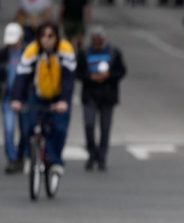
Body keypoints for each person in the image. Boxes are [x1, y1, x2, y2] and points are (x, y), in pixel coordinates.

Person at [11, 22, 76, 179]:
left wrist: (64, 101)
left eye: (50, 36)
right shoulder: (32, 50)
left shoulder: (65, 49)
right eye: (42, 36)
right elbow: (21, 76)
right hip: (39, 94)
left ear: (56, 37)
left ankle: (56, 162)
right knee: (29, 125)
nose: (46, 39)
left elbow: (69, 79)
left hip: (59, 95)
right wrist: (17, 99)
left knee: (59, 128)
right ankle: (31, 155)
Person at [76, 25, 126, 171]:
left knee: (105, 128)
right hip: (90, 94)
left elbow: (121, 71)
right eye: (95, 39)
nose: (98, 42)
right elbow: (78, 72)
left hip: (107, 95)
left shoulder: (114, 52)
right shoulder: (84, 53)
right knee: (89, 125)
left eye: (100, 39)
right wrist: (90, 77)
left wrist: (109, 76)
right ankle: (92, 153)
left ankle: (102, 157)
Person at [1, 23, 26, 174]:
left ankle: (21, 156)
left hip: (24, 98)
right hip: (8, 97)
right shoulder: (3, 54)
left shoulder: (27, 53)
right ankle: (12, 158)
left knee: (25, 130)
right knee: (8, 129)